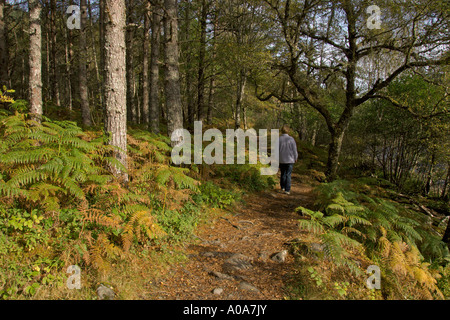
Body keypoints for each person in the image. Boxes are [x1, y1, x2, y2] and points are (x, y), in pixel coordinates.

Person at [278, 124, 298, 195]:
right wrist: (296, 157)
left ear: (281, 131)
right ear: (288, 131)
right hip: (290, 160)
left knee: (283, 174)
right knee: (288, 174)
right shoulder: (291, 139)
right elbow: (294, 150)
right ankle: (287, 190)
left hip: (281, 159)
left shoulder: (279, 139)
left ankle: (282, 187)